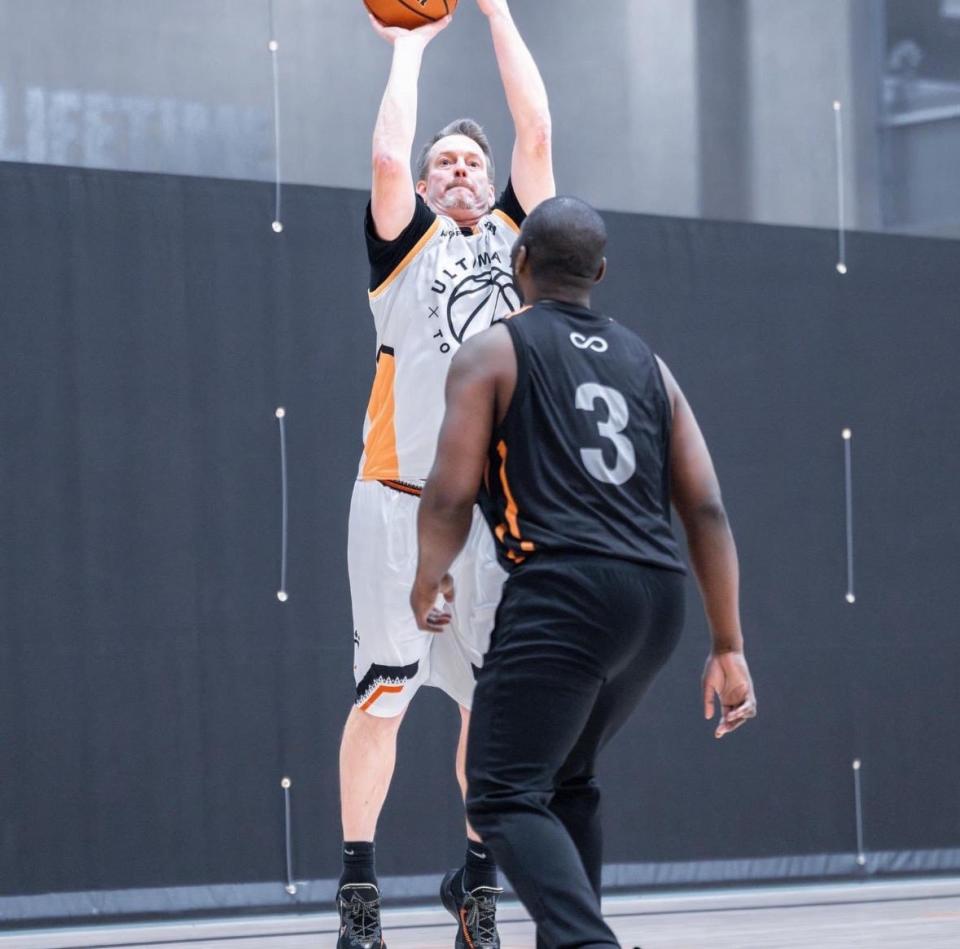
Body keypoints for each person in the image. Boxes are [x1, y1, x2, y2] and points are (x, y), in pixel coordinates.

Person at [412, 196, 757, 948]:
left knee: (501, 791)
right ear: (600, 271)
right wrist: (728, 645)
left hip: (564, 591)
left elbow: (448, 489)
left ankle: (587, 944)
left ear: (519, 263)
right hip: (655, 601)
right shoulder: (651, 365)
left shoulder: (494, 350)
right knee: (568, 780)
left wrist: (429, 573)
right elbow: (706, 510)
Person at [337, 2, 555, 947]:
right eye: (445, 164)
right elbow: (388, 160)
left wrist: (497, 7)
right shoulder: (406, 252)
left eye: (472, 160)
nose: (461, 170)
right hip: (396, 504)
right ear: (426, 188)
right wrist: (411, 48)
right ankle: (357, 894)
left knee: (492, 713)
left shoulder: (523, 242)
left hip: (490, 516)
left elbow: (536, 130)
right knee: (383, 698)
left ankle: (473, 886)